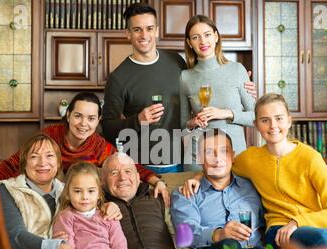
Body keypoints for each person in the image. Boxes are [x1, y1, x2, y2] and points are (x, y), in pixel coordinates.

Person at [102, 3, 257, 174]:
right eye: (137, 29)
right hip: (143, 165)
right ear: (127, 34)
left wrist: (242, 83)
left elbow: (204, 78)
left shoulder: (176, 62)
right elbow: (108, 129)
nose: (144, 35)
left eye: (149, 28)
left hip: (182, 159)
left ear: (157, 31)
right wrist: (137, 120)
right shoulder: (118, 78)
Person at [182, 93, 327, 249]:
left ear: (289, 121)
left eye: (279, 118)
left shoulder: (311, 158)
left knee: (325, 240)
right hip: (278, 230)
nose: (273, 126)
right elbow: (220, 166)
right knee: (324, 241)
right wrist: (197, 177)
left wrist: (297, 222)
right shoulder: (250, 159)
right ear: (256, 125)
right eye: (265, 120)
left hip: (316, 230)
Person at [0, 91, 170, 207]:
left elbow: (127, 165)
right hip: (43, 199)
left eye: (91, 118)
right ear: (68, 115)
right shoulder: (50, 136)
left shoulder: (99, 146)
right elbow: (15, 162)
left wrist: (157, 182)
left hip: (76, 205)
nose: (84, 124)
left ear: (98, 121)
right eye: (78, 116)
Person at [101, 153, 189, 249]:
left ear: (138, 177)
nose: (122, 178)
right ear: (103, 181)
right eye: (114, 173)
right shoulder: (98, 208)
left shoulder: (157, 197)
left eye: (128, 171)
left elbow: (182, 227)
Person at [180, 15, 256, 171]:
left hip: (234, 157)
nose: (202, 41)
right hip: (198, 159)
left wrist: (226, 113)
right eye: (196, 37)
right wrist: (193, 122)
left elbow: (255, 117)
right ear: (189, 43)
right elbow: (182, 126)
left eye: (207, 35)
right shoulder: (185, 77)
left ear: (215, 36)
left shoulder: (237, 70)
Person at [171, 128, 264, 249]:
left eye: (224, 151)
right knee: (229, 245)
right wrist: (219, 234)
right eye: (209, 152)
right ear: (199, 159)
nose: (217, 158)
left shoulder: (254, 186)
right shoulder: (186, 194)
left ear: (233, 156)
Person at [53, 162, 128, 249]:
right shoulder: (65, 217)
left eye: (91, 191)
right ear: (68, 194)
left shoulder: (109, 216)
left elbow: (121, 247)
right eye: (77, 191)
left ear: (99, 193)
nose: (85, 196)